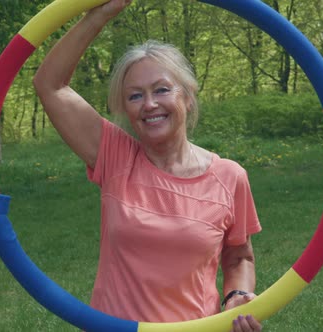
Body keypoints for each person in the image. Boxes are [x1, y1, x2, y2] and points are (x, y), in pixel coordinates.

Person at [33, 1, 262, 331]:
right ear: (125, 108)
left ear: (187, 95)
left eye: (162, 89)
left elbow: (239, 256)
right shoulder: (114, 155)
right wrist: (98, 14)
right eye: (135, 96)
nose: (150, 104)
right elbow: (50, 84)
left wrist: (238, 295)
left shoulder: (229, 176)